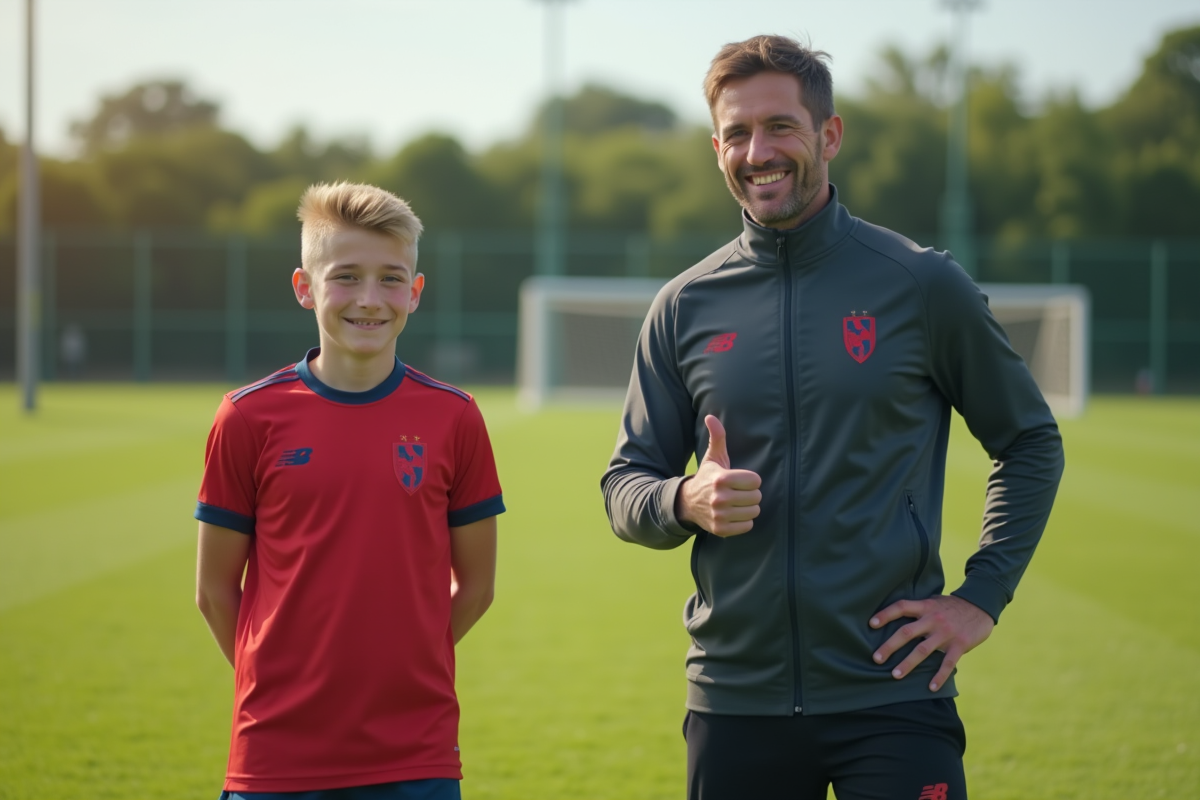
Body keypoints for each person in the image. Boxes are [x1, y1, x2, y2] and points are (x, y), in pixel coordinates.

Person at [601, 35, 1064, 800]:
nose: (760, 151)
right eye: (739, 133)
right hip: (736, 700)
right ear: (717, 146)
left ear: (829, 135)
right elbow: (626, 485)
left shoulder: (919, 283)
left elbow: (1029, 441)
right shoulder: (683, 306)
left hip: (892, 693)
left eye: (781, 126)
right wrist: (683, 499)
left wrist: (980, 598)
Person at [195, 182, 505, 800]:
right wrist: (286, 682)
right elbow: (212, 591)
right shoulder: (247, 417)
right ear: (304, 287)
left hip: (415, 754)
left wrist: (403, 664)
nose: (369, 299)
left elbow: (476, 587)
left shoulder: (455, 417)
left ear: (415, 294)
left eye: (392, 279)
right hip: (275, 754)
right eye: (346, 277)